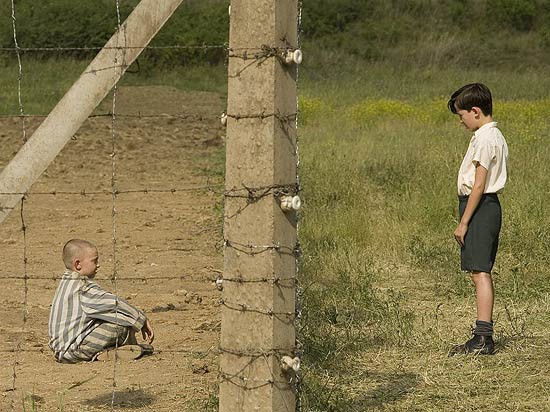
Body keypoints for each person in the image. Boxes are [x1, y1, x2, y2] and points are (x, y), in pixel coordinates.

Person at [447, 83, 508, 355]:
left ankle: (483, 337)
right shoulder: (492, 135)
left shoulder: (485, 138)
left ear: (475, 111)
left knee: (480, 272)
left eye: (461, 115)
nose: (461, 121)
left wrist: (464, 222)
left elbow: (479, 184)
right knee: (478, 271)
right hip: (482, 206)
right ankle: (483, 335)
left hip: (481, 206)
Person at [48, 239, 154, 363]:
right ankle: (112, 350)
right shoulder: (83, 288)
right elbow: (113, 304)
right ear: (78, 264)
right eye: (94, 261)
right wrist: (141, 318)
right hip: (73, 350)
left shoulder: (67, 282)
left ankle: (108, 352)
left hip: (61, 350)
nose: (98, 265)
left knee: (108, 317)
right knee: (120, 323)